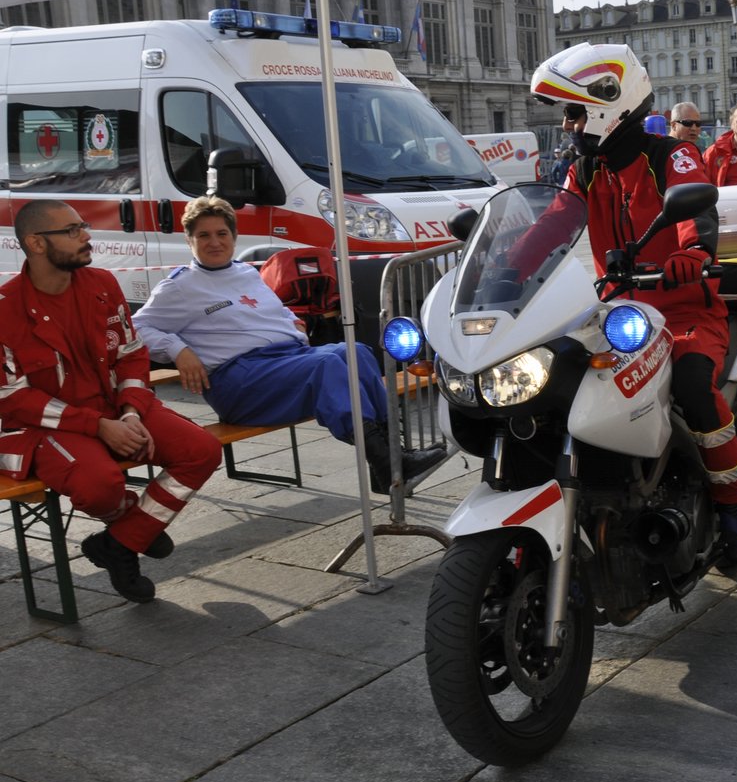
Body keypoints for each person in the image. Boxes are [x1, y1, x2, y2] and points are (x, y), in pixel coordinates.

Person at [530, 43, 737, 561]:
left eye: (573, 113)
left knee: (692, 388)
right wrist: (507, 265)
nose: (568, 126)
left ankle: (733, 503)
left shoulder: (668, 155)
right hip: (615, 314)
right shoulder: (586, 169)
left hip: (683, 310)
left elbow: (695, 207)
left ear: (607, 104)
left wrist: (693, 252)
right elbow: (553, 224)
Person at [131, 196, 447, 495]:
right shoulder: (180, 286)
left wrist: (290, 322)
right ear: (190, 241)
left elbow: (269, 308)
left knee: (356, 352)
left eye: (221, 233)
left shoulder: (245, 272)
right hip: (240, 382)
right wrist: (178, 350)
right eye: (203, 235)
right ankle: (388, 462)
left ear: (234, 236)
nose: (214, 242)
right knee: (327, 366)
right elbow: (136, 327)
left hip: (282, 364)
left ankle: (388, 463)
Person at [1, 200, 222, 602]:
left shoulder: (102, 284)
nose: (86, 236)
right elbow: (13, 399)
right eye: (71, 231)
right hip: (48, 426)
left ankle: (119, 544)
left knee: (201, 449)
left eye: (82, 225)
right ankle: (133, 524)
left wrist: (131, 411)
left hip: (117, 407)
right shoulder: (5, 307)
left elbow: (131, 353)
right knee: (100, 485)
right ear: (35, 243)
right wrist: (99, 426)